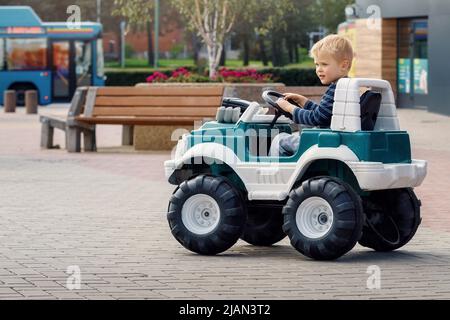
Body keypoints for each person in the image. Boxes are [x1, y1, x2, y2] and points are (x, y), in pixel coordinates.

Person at [269, 34, 354, 157]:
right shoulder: (345, 87)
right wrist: (304, 101)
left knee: (279, 140)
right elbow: (324, 114)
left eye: (324, 64)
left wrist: (290, 108)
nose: (319, 69)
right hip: (333, 138)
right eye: (317, 64)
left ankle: (274, 173)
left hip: (324, 141)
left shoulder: (336, 89)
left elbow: (315, 119)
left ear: (344, 65)